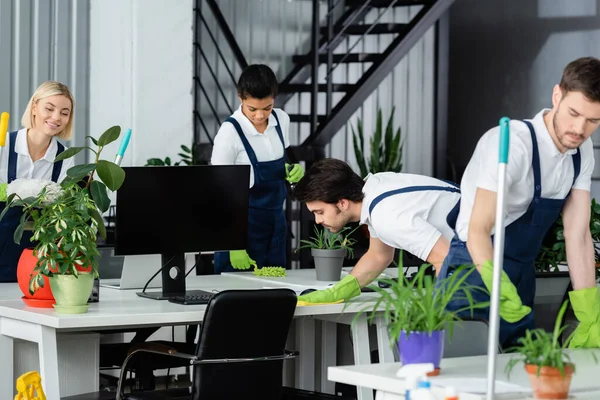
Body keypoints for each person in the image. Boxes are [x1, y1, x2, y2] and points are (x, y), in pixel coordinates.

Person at [438, 56, 600, 349]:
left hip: (522, 272)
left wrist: (589, 312)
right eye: (574, 113)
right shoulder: (512, 142)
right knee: (457, 376)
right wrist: (498, 289)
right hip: (473, 269)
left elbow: (578, 235)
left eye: (593, 120)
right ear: (556, 95)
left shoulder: (581, 152)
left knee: (519, 373)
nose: (579, 128)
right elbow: (478, 228)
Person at [291, 158, 461, 304]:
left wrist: (434, 316)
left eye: (320, 212)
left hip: (482, 248)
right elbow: (379, 255)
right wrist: (337, 292)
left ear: (342, 203)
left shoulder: (386, 215)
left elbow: (445, 260)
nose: (318, 221)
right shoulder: (375, 192)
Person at [211, 64, 304, 273]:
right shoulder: (229, 133)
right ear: (240, 97)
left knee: (276, 292)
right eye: (253, 109)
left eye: (267, 107)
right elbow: (220, 191)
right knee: (237, 297)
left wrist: (292, 169)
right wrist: (233, 243)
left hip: (276, 223)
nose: (260, 116)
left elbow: (277, 157)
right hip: (241, 226)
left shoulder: (282, 120)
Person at [0, 81, 76, 282]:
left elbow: (63, 211)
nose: (56, 117)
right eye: (49, 109)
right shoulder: (4, 145)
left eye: (64, 112)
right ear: (34, 107)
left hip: (36, 261)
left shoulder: (64, 158)